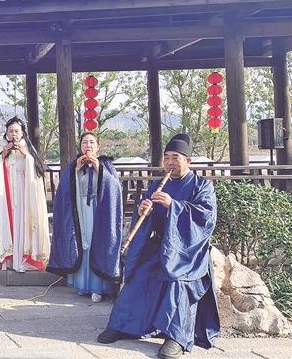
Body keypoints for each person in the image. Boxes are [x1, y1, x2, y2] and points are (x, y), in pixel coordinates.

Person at [97, 134, 220, 359]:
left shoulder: (202, 185)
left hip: (189, 252)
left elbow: (206, 219)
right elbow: (150, 221)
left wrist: (174, 206)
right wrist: (144, 212)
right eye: (167, 158)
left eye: (175, 158)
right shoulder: (156, 184)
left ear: (188, 161)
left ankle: (176, 337)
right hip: (161, 245)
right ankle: (123, 325)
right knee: (140, 274)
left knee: (177, 281)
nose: (170, 163)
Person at [48, 132, 123, 303]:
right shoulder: (74, 166)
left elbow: (115, 189)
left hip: (99, 211)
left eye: (91, 142)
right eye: (84, 142)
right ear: (80, 146)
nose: (88, 145)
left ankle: (98, 287)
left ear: (98, 146)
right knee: (82, 245)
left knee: (98, 244)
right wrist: (75, 171)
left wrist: (99, 169)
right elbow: (63, 190)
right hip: (80, 211)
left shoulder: (106, 165)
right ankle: (83, 285)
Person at [0, 117, 50, 272]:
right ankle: (7, 257)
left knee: (23, 221)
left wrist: (26, 155)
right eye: (10, 131)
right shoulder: (0, 150)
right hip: (6, 192)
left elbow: (38, 172)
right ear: (6, 133)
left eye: (16, 131)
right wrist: (3, 155)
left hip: (24, 191)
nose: (13, 134)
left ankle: (24, 255)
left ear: (22, 133)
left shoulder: (28, 149)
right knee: (7, 220)